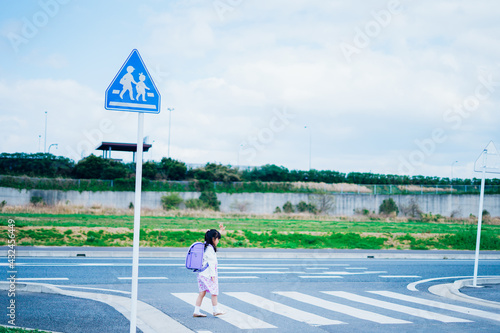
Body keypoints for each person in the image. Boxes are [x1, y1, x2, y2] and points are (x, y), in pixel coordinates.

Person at [193, 224, 226, 317]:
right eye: (217, 239)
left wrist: (220, 231)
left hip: (201, 274)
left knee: (202, 293)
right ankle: (216, 310)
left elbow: (210, 235)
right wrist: (213, 276)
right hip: (208, 275)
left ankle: (196, 311)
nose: (218, 241)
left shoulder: (205, 245)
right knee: (214, 292)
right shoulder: (210, 249)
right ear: (213, 239)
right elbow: (212, 264)